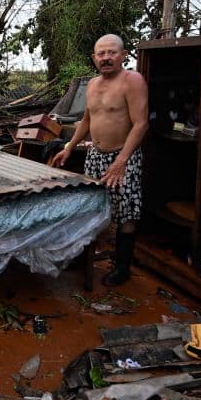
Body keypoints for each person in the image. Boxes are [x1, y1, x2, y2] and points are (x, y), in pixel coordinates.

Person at [50, 34, 149, 286]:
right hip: (95, 155)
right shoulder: (92, 84)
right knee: (91, 208)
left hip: (123, 157)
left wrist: (122, 161)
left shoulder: (132, 81)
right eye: (101, 54)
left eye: (111, 53)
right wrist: (69, 147)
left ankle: (122, 267)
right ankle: (83, 258)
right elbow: (87, 120)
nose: (106, 58)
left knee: (125, 213)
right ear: (94, 58)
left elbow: (140, 124)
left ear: (123, 55)